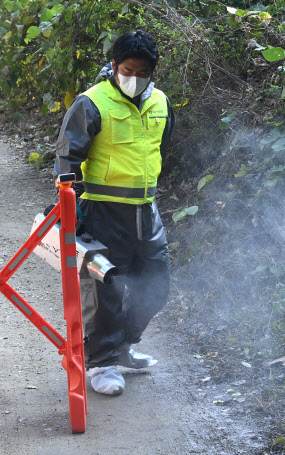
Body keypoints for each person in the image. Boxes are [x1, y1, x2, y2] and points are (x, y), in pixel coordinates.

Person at [53, 30, 174, 396]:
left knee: (157, 284)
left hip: (145, 213)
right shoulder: (92, 103)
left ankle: (122, 346)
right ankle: (102, 364)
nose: (133, 79)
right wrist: (68, 203)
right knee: (105, 290)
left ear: (153, 72)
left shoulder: (162, 104)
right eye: (126, 69)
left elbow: (161, 150)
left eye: (142, 72)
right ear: (113, 66)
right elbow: (67, 158)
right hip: (102, 212)